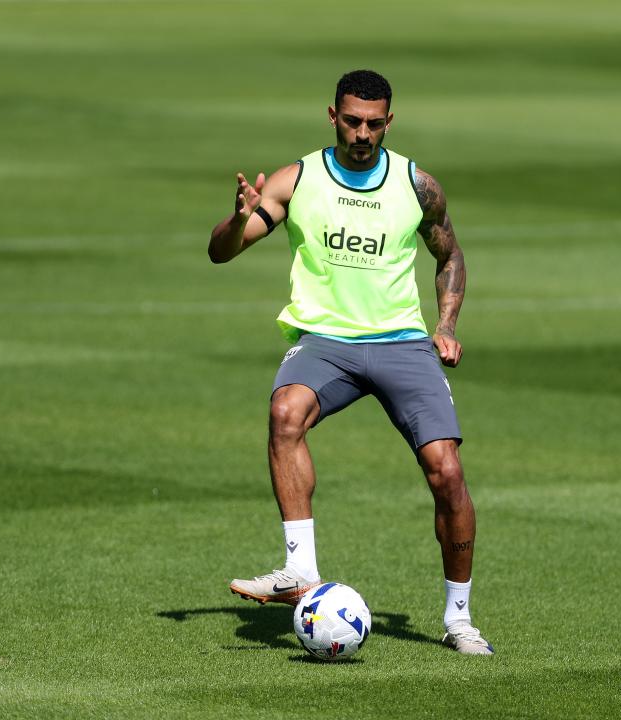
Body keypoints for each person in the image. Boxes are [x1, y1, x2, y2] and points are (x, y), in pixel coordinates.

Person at [208, 70, 493, 655]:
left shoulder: (417, 186)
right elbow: (220, 251)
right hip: (326, 342)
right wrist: (238, 220)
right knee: (285, 412)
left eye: (374, 123)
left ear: (389, 121)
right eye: (352, 120)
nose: (363, 133)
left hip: (401, 343)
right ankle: (300, 570)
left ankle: (460, 619)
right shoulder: (299, 179)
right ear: (332, 116)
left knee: (448, 473)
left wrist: (445, 327)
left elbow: (450, 254)